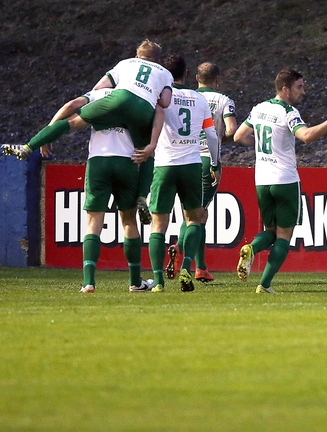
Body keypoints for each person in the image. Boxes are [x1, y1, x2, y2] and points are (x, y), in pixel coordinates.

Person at [2, 39, 174, 225]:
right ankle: (142, 196)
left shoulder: (125, 64)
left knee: (72, 122)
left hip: (115, 106)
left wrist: (50, 130)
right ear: (158, 60)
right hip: (142, 114)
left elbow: (96, 88)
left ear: (136, 55)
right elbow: (163, 103)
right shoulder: (165, 73)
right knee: (147, 153)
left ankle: (29, 147)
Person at [234, 69, 327, 293]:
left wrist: (260, 143)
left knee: (270, 231)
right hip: (285, 179)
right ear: (285, 89)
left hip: (262, 180)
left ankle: (251, 248)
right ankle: (264, 285)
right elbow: (306, 136)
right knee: (284, 236)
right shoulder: (288, 112)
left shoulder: (259, 108)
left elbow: (239, 136)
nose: (303, 92)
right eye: (299, 87)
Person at [48, 89, 154, 293]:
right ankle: (135, 282)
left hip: (98, 161)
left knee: (93, 222)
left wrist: (51, 131)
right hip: (127, 161)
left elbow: (71, 105)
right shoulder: (137, 100)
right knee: (129, 222)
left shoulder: (100, 94)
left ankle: (88, 282)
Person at [147, 54, 219, 293]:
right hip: (191, 165)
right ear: (187, 74)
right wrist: (215, 163)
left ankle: (158, 281)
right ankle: (187, 266)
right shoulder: (198, 99)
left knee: (158, 224)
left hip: (165, 165)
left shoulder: (158, 97)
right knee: (195, 218)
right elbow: (211, 135)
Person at [166, 62, 237, 284]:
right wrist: (217, 138)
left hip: (184, 158)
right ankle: (180, 249)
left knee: (195, 213)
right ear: (218, 79)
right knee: (197, 215)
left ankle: (201, 268)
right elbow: (233, 130)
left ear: (196, 77)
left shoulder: (187, 97)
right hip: (208, 160)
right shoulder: (225, 100)